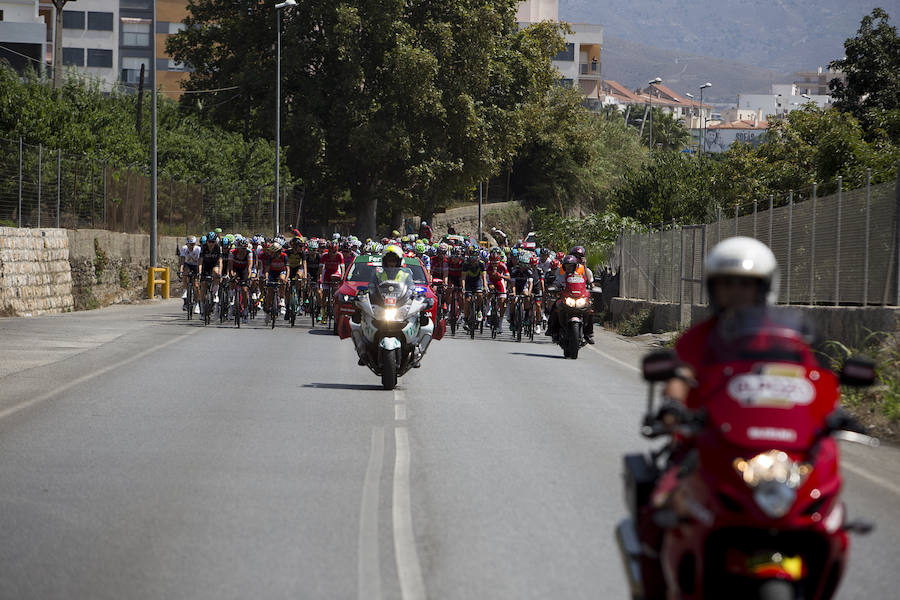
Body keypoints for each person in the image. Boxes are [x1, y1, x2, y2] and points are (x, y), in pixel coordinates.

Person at [547, 254, 594, 344]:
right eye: (567, 266)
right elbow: (556, 283)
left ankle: (588, 333)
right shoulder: (561, 275)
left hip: (579, 299)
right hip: (565, 298)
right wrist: (555, 288)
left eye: (571, 266)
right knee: (555, 308)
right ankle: (553, 330)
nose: (569, 268)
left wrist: (590, 288)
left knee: (590, 310)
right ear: (564, 267)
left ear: (575, 266)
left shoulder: (580, 276)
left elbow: (588, 283)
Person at [261, 240, 288, 322]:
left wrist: (286, 278)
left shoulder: (284, 256)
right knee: (270, 293)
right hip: (272, 273)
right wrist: (266, 278)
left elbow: (288, 268)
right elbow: (267, 270)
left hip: (281, 272)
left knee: (282, 279)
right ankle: (268, 312)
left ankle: (282, 299)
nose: (270, 253)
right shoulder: (270, 257)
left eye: (272, 252)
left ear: (277, 252)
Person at [228, 237, 254, 322]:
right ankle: (232, 299)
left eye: (244, 249)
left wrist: (249, 277)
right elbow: (230, 267)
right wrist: (232, 275)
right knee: (232, 280)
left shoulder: (249, 253)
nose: (242, 251)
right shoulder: (232, 253)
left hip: (244, 270)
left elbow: (250, 267)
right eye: (240, 249)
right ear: (237, 248)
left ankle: (245, 310)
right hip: (235, 269)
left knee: (244, 290)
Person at [319, 240, 345, 323]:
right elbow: (321, 269)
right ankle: (323, 314)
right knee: (325, 293)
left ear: (337, 251)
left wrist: (343, 278)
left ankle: (334, 304)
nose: (332, 254)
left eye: (334, 251)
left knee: (335, 290)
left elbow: (342, 268)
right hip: (326, 273)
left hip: (335, 272)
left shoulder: (339, 255)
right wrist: (319, 278)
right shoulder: (324, 256)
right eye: (330, 251)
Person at [485, 247, 510, 334]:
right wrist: (486, 286)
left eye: (496, 262)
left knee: (502, 301)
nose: (494, 264)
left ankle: (500, 323)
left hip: (499, 281)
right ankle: (488, 312)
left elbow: (508, 277)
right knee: (490, 291)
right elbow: (484, 276)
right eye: (493, 262)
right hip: (490, 280)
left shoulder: (502, 265)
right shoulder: (488, 265)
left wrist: (501, 276)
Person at [462, 245, 487, 329]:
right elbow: (463, 278)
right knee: (467, 300)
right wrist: (463, 288)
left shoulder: (481, 264)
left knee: (480, 295)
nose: (473, 258)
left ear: (478, 256)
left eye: (475, 256)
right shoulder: (466, 264)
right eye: (472, 256)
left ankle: (479, 309)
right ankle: (465, 319)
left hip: (477, 281)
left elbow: (484, 277)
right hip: (468, 282)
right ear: (469, 256)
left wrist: (485, 287)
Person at [199, 232, 223, 316]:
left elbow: (220, 261)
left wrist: (220, 273)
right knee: (203, 286)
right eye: (209, 242)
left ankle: (215, 293)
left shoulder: (218, 248)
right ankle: (202, 308)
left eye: (213, 242)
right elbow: (200, 261)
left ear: (215, 242)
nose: (211, 244)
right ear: (207, 241)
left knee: (216, 272)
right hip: (205, 266)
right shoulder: (203, 247)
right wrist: (199, 272)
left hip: (214, 265)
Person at [179, 236, 201, 312]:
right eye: (190, 244)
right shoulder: (184, 248)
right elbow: (182, 260)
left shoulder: (198, 249)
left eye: (193, 244)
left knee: (196, 285)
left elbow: (200, 262)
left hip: (196, 265)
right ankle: (185, 290)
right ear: (187, 244)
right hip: (188, 264)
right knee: (185, 273)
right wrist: (180, 271)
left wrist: (199, 272)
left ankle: (197, 303)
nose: (191, 246)